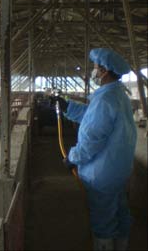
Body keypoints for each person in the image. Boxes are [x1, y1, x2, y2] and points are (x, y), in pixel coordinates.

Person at [53, 48, 137, 251]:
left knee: (103, 220)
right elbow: (92, 116)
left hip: (102, 173)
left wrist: (72, 157)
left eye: (96, 68)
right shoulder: (117, 95)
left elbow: (92, 138)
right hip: (119, 168)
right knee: (119, 212)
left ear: (105, 71)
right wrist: (67, 107)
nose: (93, 71)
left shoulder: (105, 100)